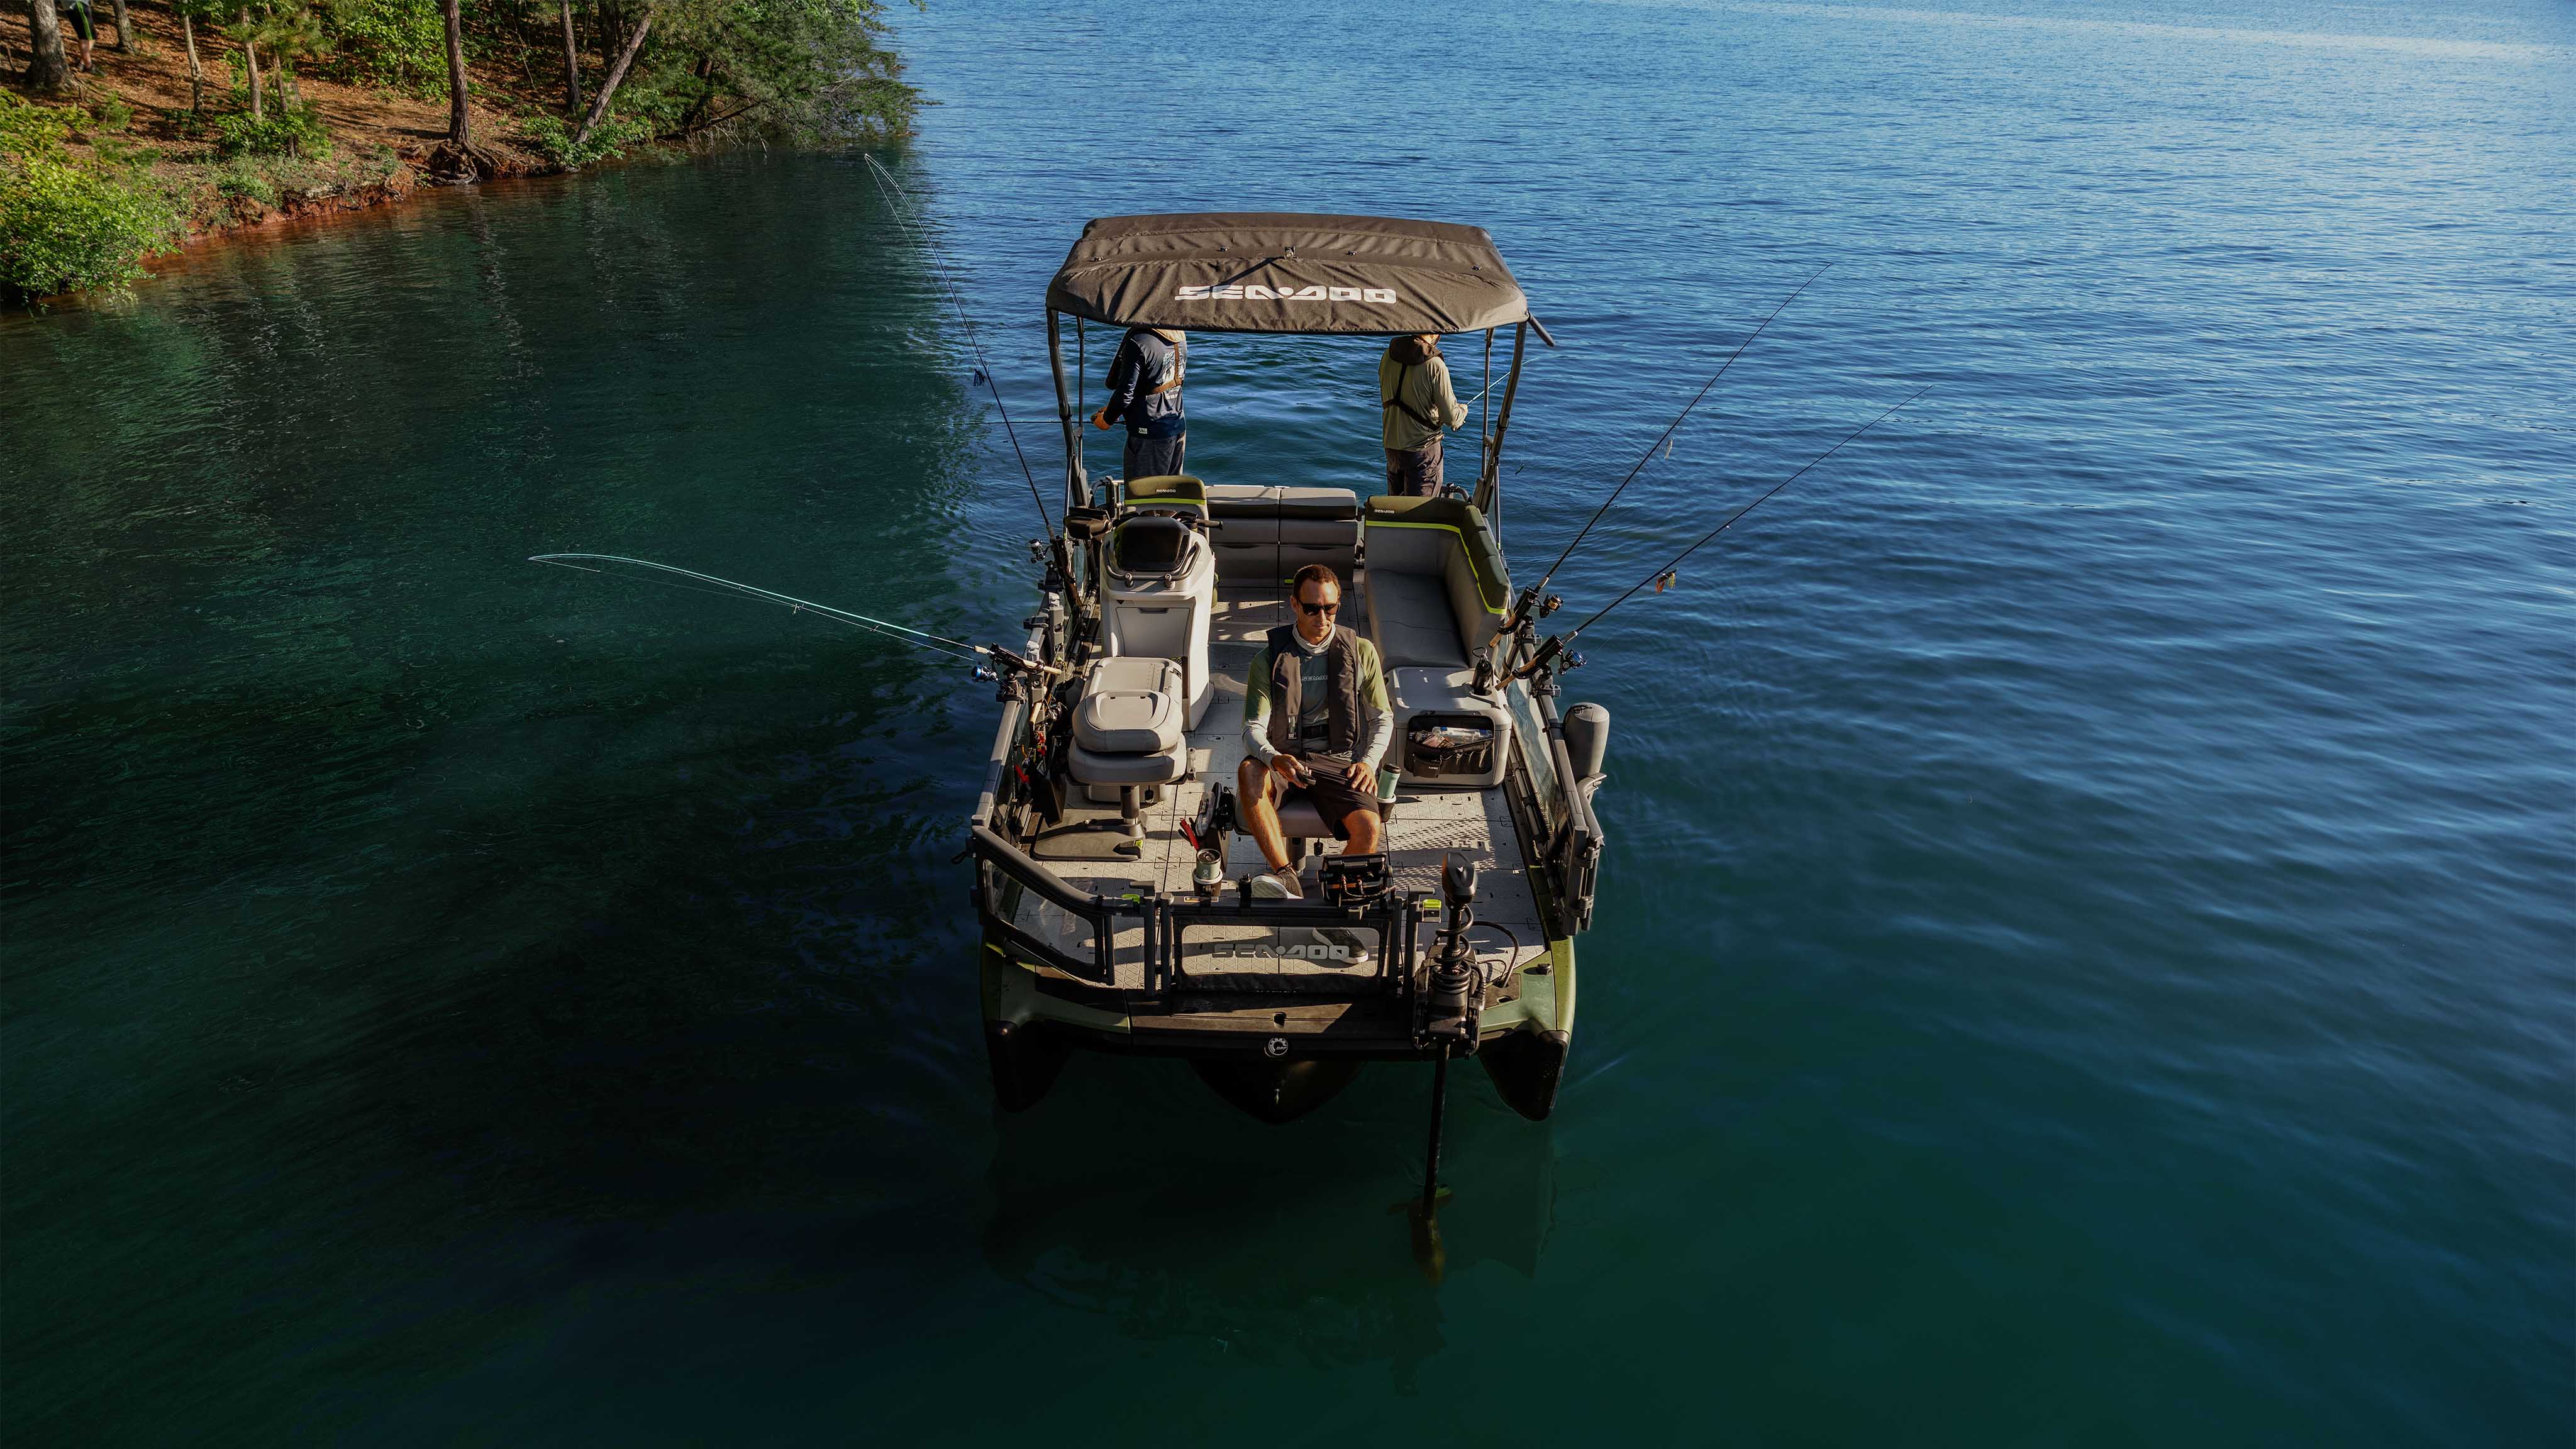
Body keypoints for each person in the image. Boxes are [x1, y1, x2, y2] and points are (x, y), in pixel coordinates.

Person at [1235, 564, 1392, 897]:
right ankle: (1285, 877)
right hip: (1285, 756)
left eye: (1330, 608)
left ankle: (1333, 900)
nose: (1322, 617)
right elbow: (1253, 728)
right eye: (1312, 608)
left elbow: (1382, 718)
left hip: (1336, 759)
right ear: (1295, 605)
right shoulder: (1268, 660)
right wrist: (1275, 759)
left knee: (1369, 827)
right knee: (1249, 772)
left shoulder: (1361, 652)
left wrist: (1367, 762)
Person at [1091, 326, 1187, 481]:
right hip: (1177, 426)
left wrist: (1106, 421)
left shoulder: (1139, 342)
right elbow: (1157, 382)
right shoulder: (1179, 335)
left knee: (1143, 498)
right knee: (1169, 494)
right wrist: (1112, 410)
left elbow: (1125, 395)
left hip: (1149, 434)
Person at [1379, 332, 1468, 496]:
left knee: (1394, 510)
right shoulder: (1435, 365)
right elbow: (1451, 417)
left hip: (1392, 447)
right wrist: (1463, 411)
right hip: (1423, 451)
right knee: (1420, 514)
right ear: (1436, 333)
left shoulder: (1388, 355)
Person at [61, 0, 97, 70]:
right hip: (78, 4)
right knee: (85, 37)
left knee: (92, 36)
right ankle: (88, 66)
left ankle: (83, 62)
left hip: (73, 5)